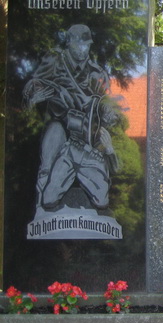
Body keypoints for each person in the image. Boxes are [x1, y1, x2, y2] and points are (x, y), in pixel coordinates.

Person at [23, 24, 118, 212]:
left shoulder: (96, 73)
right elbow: (32, 86)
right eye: (79, 44)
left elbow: (103, 107)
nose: (84, 49)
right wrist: (37, 96)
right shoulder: (55, 61)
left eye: (87, 45)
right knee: (48, 163)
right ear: (69, 43)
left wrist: (107, 111)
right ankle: (41, 211)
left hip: (83, 135)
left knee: (99, 193)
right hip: (58, 124)